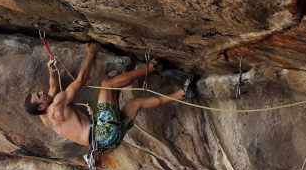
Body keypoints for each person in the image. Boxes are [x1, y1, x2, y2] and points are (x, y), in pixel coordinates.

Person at [24, 42, 193, 153]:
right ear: (41, 106)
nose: (42, 92)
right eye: (39, 95)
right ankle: (152, 67)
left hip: (108, 144)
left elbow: (53, 86)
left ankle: (182, 94)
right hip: (102, 132)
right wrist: (91, 54)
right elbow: (81, 80)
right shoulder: (57, 104)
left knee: (136, 103)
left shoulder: (45, 117)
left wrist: (51, 69)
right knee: (107, 84)